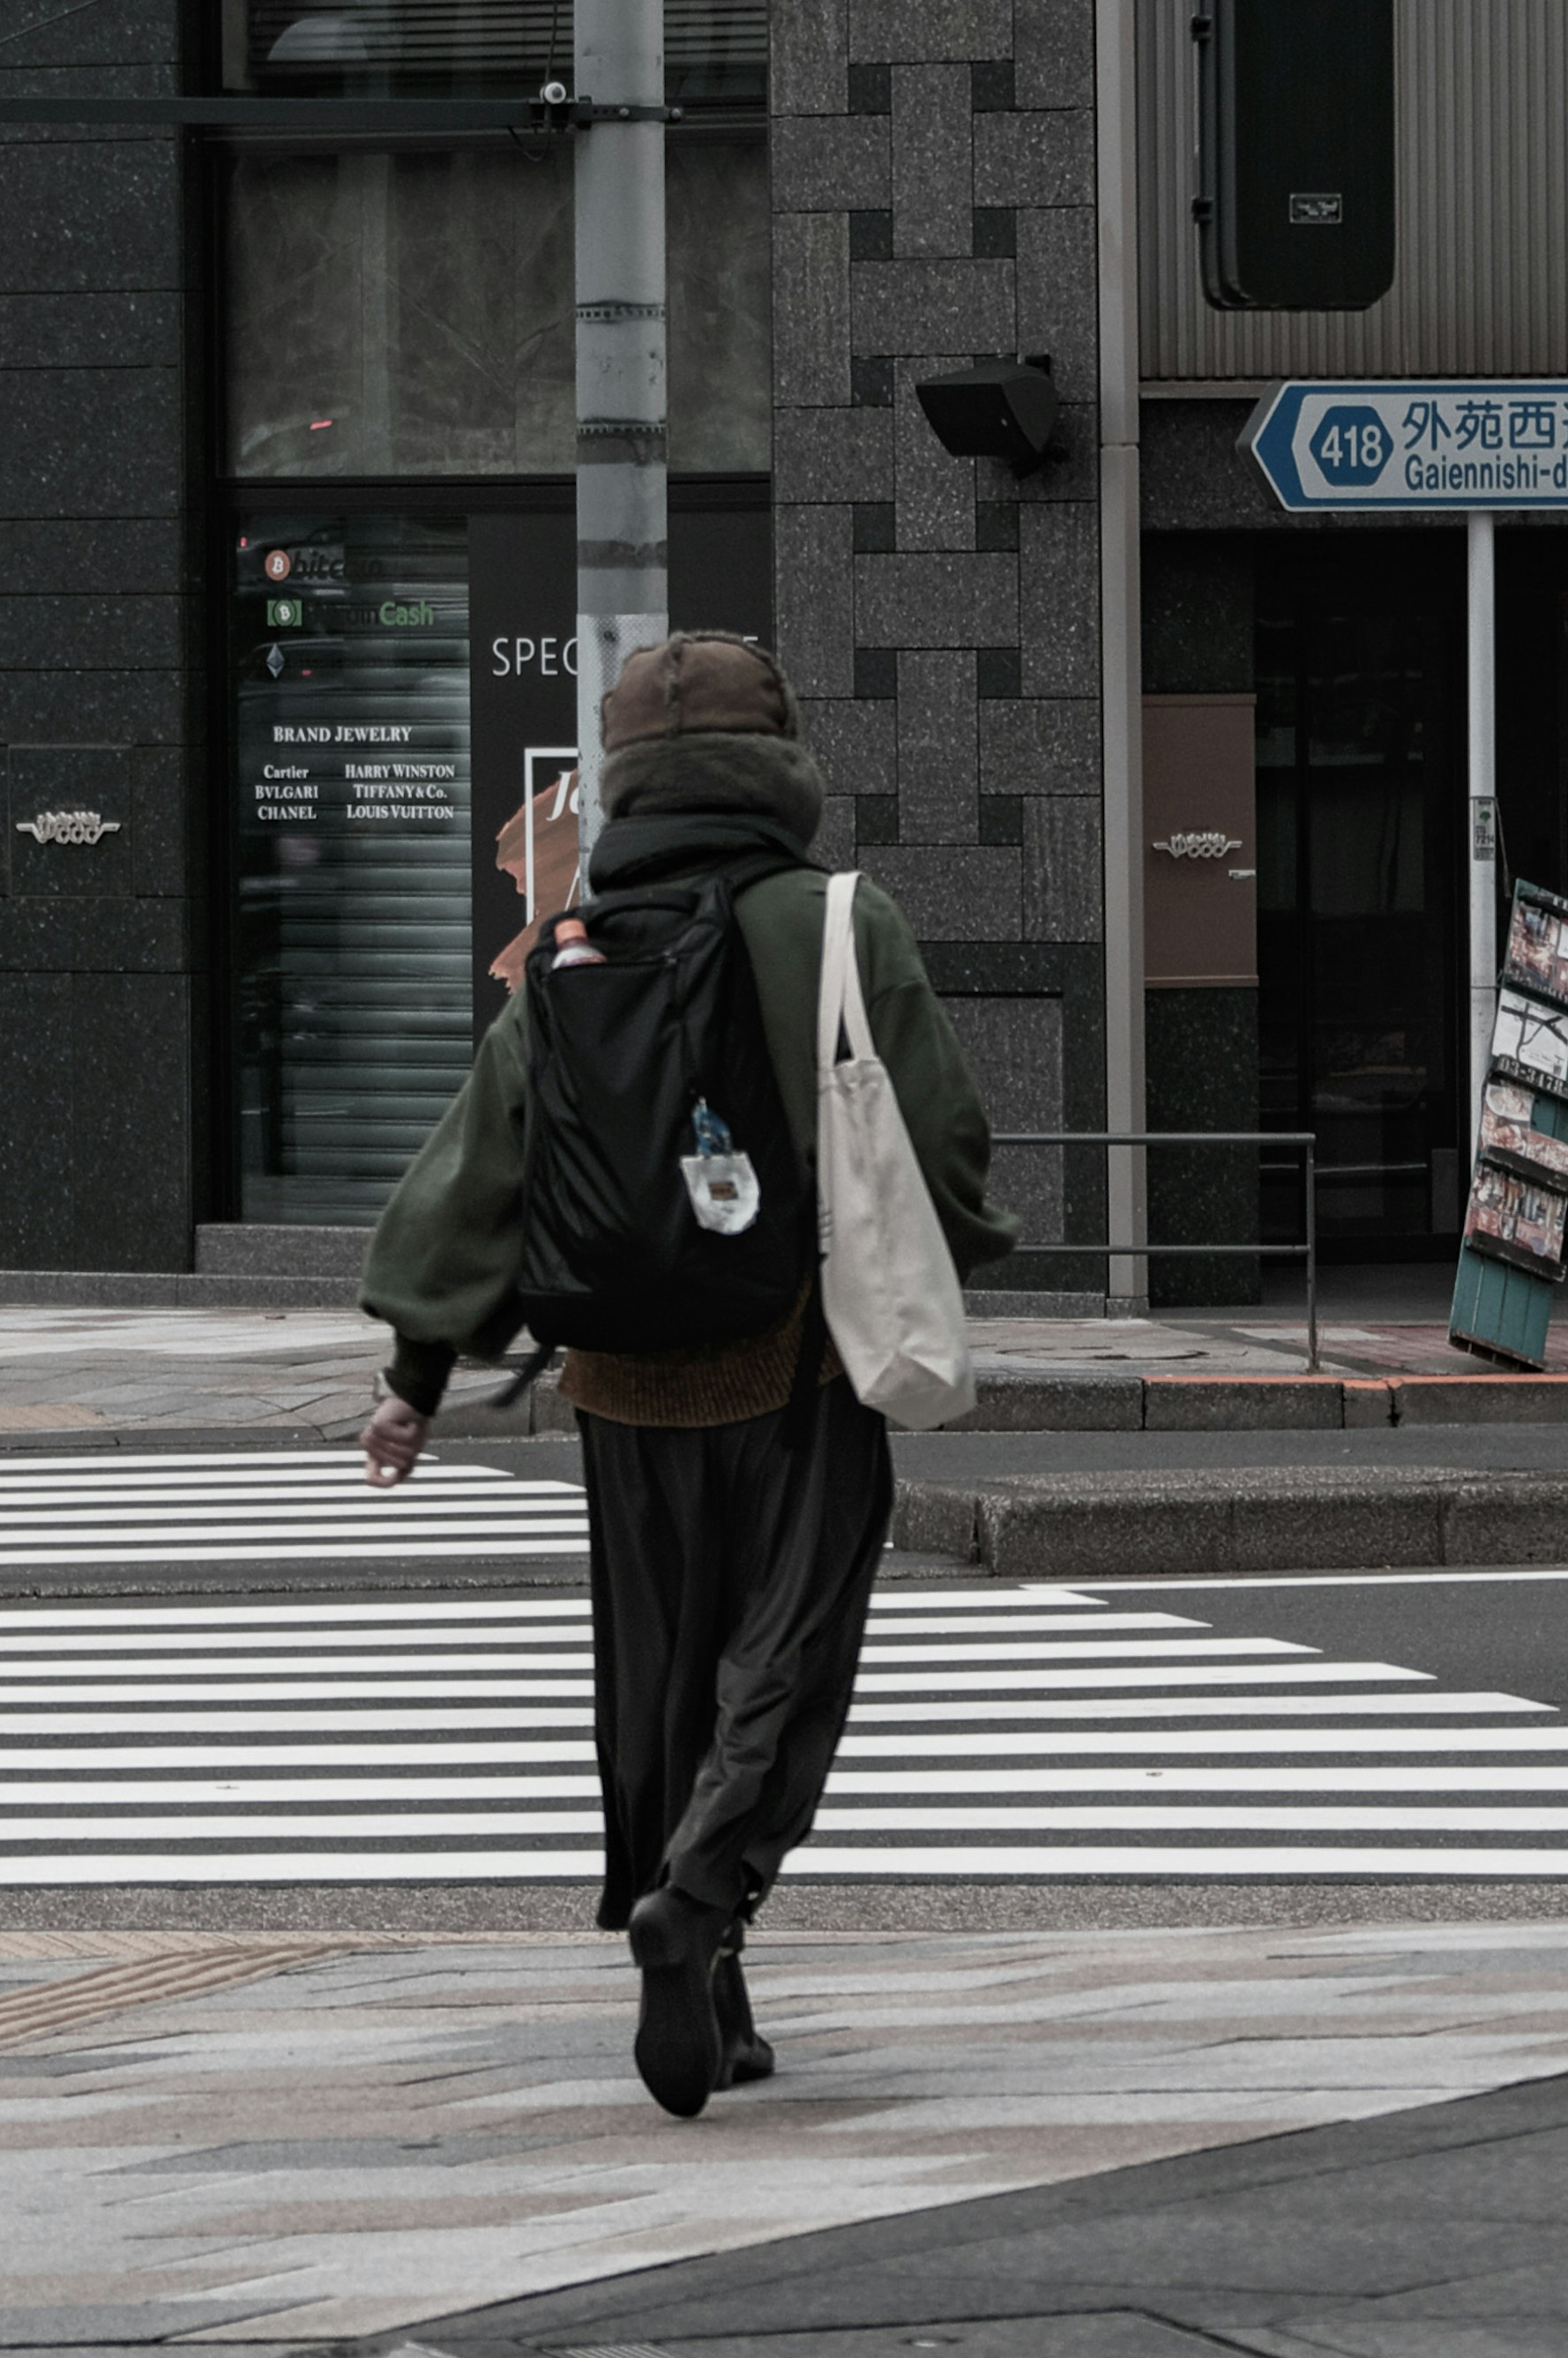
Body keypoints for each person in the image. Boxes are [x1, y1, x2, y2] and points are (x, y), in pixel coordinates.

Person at [356, 631, 1012, 2112]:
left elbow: (481, 1173)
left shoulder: (574, 948)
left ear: (627, 781)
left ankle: (709, 1979)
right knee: (785, 1654)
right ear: (779, 765)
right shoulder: (840, 920)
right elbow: (945, 1145)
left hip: (619, 1378)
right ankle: (703, 1896)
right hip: (801, 1368)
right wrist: (963, 1243)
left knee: (654, 1683)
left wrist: (415, 1374)